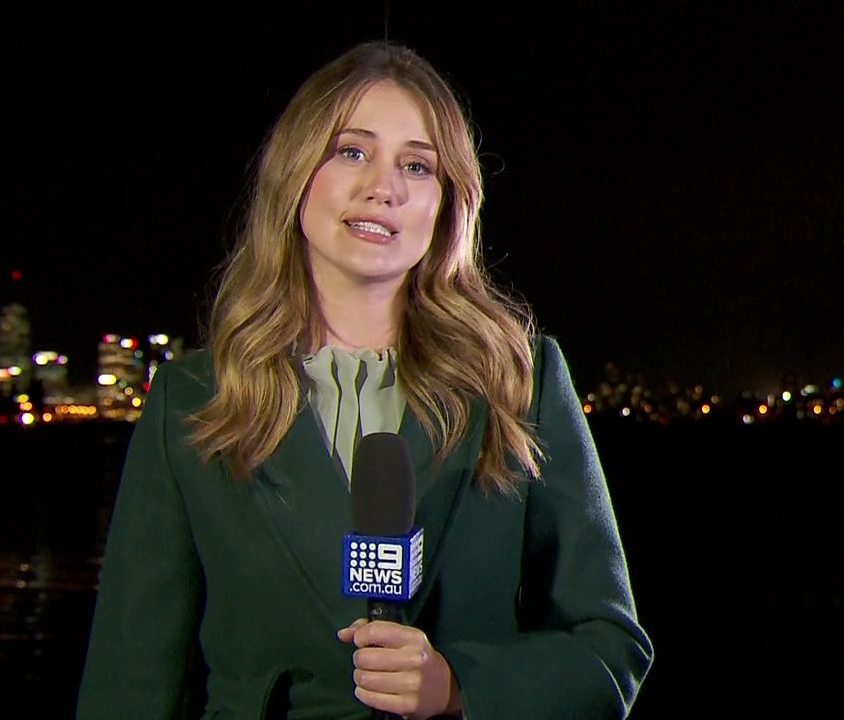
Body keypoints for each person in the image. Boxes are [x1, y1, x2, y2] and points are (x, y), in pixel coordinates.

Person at [76, 40, 653, 719]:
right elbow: (128, 686)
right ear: (294, 174)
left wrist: (458, 686)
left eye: (417, 165)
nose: (385, 188)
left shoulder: (518, 382)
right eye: (352, 152)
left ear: (446, 203)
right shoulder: (194, 400)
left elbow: (609, 652)